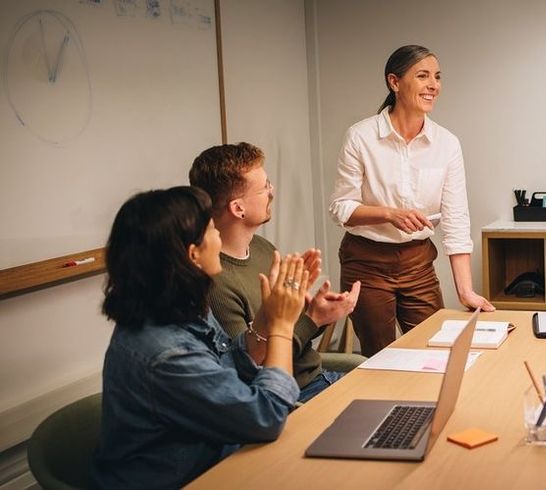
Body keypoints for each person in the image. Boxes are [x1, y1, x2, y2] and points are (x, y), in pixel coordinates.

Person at [92, 186, 307, 489]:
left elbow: (229, 361)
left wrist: (268, 316)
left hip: (220, 462)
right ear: (193, 254)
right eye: (211, 230)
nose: (219, 236)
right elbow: (267, 416)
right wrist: (283, 327)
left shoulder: (177, 305)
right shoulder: (167, 355)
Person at [329, 44, 493, 357]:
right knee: (380, 357)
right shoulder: (361, 137)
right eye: (422, 76)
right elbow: (341, 208)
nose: (434, 85)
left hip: (418, 263)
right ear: (394, 82)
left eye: (438, 77)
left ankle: (429, 407)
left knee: (439, 350)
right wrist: (388, 214)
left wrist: (465, 290)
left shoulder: (446, 143)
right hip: (367, 263)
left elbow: (456, 219)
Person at [189, 142, 360, 403]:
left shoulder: (262, 249)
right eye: (265, 187)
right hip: (290, 397)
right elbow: (251, 366)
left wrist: (312, 310)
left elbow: (291, 334)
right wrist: (312, 319)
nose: (272, 192)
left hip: (318, 377)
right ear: (238, 208)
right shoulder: (215, 285)